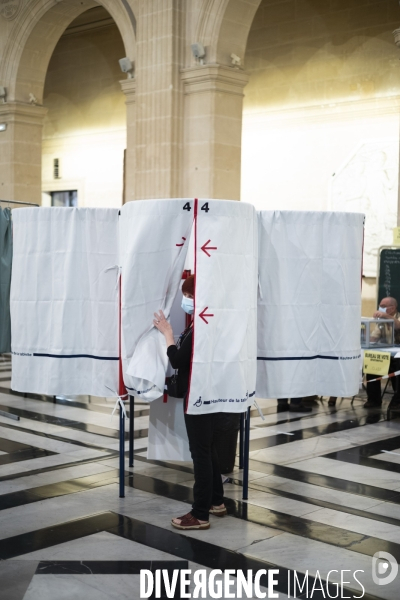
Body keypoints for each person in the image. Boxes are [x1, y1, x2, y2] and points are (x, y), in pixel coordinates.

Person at [153, 275, 226, 530]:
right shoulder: (209, 322)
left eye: (191, 296)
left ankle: (200, 514)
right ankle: (216, 501)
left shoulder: (201, 327)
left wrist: (168, 334)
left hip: (197, 396)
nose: (188, 301)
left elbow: (177, 360)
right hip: (208, 393)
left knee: (201, 454)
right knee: (208, 449)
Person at [364, 296, 400, 411]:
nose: (381, 308)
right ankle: (373, 400)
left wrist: (386, 316)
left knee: (397, 368)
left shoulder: (396, 317)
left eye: (383, 306)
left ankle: (397, 401)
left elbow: (398, 326)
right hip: (387, 356)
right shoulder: (382, 321)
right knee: (372, 364)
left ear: (393, 308)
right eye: (380, 306)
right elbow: (374, 337)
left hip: (398, 358)